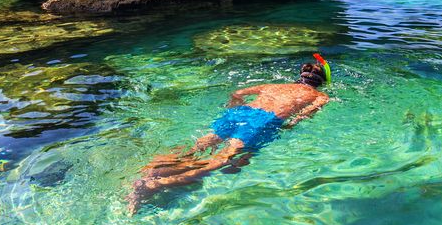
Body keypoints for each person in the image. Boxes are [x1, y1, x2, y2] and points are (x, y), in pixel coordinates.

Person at [128, 54, 332, 212]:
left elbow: (237, 94)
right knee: (220, 161)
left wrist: (233, 109)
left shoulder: (274, 85)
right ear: (321, 82)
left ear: (300, 76)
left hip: (240, 112)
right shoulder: (320, 96)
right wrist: (288, 127)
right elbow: (302, 117)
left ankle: (150, 171)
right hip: (264, 121)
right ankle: (154, 186)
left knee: (197, 146)